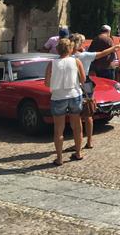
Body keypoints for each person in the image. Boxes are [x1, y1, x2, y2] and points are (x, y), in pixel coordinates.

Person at [70, 33, 120, 149]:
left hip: (74, 84)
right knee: (88, 113)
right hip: (87, 83)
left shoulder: (70, 57)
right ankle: (89, 141)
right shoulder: (85, 56)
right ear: (79, 44)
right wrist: (116, 47)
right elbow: (103, 53)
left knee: (76, 116)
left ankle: (77, 144)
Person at [45, 38, 85, 166]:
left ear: (57, 49)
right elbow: (83, 79)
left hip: (58, 96)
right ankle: (78, 153)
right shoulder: (76, 61)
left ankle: (59, 158)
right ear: (71, 49)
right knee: (77, 126)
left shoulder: (52, 63)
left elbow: (46, 83)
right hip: (74, 94)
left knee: (58, 129)